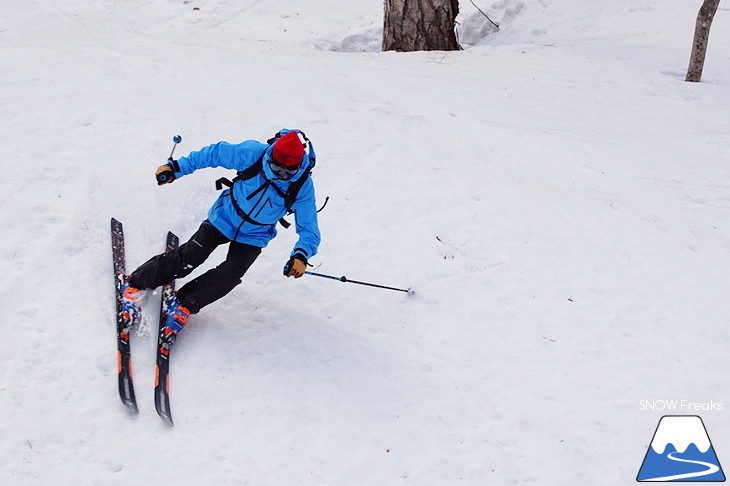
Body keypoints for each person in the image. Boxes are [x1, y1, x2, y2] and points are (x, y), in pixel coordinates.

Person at [121, 129, 321, 347]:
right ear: (270, 156)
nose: (279, 174)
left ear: (297, 167)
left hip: (254, 235)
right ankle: (136, 283)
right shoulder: (253, 154)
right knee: (191, 256)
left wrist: (301, 255)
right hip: (225, 216)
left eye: (286, 172)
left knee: (231, 274)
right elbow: (213, 154)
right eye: (275, 167)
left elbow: (309, 228)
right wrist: (176, 168)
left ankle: (184, 304)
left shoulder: (302, 186)